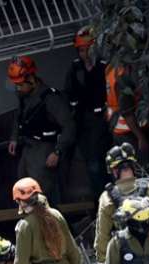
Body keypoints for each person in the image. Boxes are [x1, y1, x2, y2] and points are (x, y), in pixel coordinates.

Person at [7, 55, 76, 204]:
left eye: (20, 84)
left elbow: (69, 126)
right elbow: (20, 116)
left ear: (31, 79)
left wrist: (57, 151)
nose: (18, 88)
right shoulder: (24, 95)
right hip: (28, 148)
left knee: (40, 193)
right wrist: (14, 137)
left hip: (44, 149)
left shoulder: (50, 98)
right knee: (23, 191)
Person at [64, 26, 111, 202]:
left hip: (102, 119)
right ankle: (100, 200)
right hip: (82, 121)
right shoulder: (75, 68)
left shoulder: (103, 66)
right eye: (81, 50)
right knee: (90, 163)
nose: (84, 53)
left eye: (87, 49)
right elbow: (68, 93)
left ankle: (108, 195)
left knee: (98, 162)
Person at [105, 61, 149, 163]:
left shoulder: (111, 68)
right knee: (138, 166)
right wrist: (141, 137)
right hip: (130, 132)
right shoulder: (122, 79)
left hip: (118, 129)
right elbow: (127, 113)